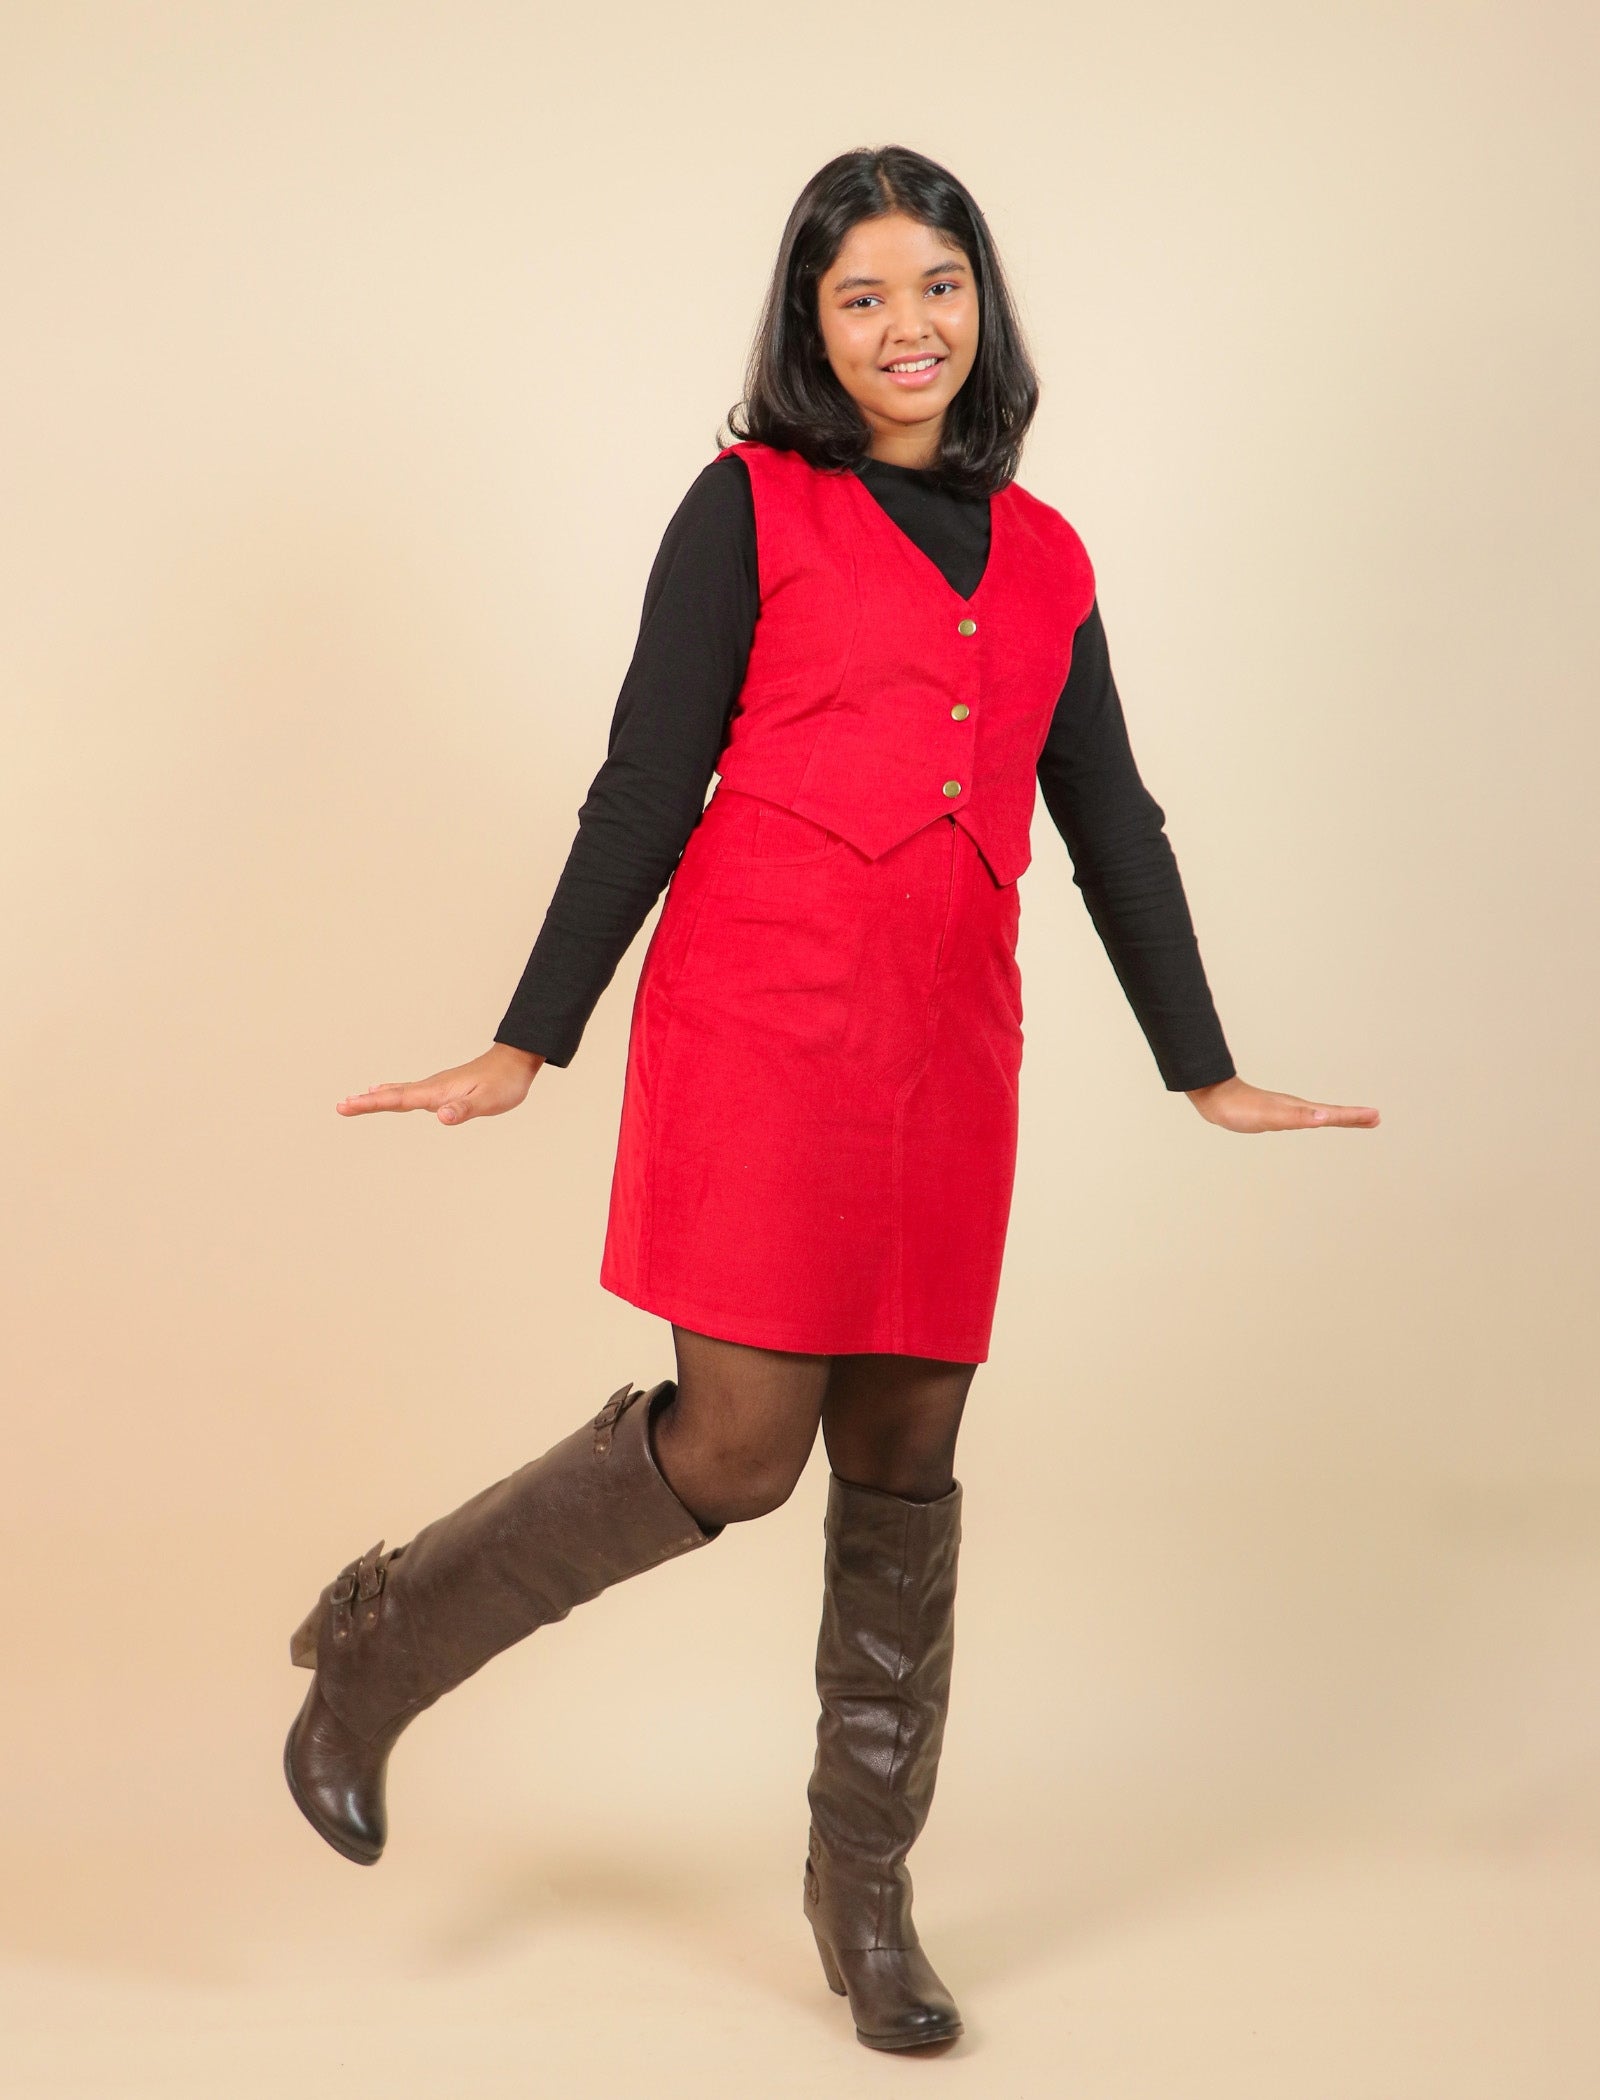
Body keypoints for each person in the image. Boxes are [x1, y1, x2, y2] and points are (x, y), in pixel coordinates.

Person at [282, 144, 1380, 2054]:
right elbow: (646, 782)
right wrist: (523, 1040)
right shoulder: (744, 508)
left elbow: (1104, 811)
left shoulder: (1048, 556)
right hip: (762, 1023)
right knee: (740, 1443)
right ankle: (381, 1644)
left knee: (911, 1448)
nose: (907, 327)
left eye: (939, 286)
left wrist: (1203, 1066)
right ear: (810, 322)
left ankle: (862, 1887)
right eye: (862, 294)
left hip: (951, 1044)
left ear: (986, 305)